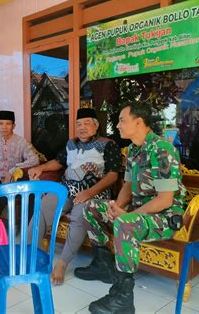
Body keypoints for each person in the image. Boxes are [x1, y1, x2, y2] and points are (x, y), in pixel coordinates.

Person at [82, 101, 186, 314]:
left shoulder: (162, 149)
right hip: (138, 213)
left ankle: (123, 298)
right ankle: (103, 264)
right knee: (91, 207)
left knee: (125, 223)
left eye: (122, 120)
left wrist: (126, 215)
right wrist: (116, 206)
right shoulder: (132, 150)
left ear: (139, 122)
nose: (117, 125)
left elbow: (165, 200)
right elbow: (128, 186)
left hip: (164, 217)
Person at [27, 107, 122, 285]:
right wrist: (41, 168)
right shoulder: (71, 143)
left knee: (79, 216)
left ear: (96, 125)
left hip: (94, 194)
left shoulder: (109, 144)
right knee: (42, 209)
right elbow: (59, 162)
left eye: (86, 123)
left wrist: (89, 192)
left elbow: (113, 175)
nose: (82, 127)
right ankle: (29, 255)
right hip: (67, 189)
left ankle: (62, 264)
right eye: (79, 124)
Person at [0, 110, 39, 218]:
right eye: (1, 123)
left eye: (8, 124)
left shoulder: (21, 142)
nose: (4, 127)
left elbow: (34, 160)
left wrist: (13, 170)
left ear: (13, 126)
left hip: (13, 184)